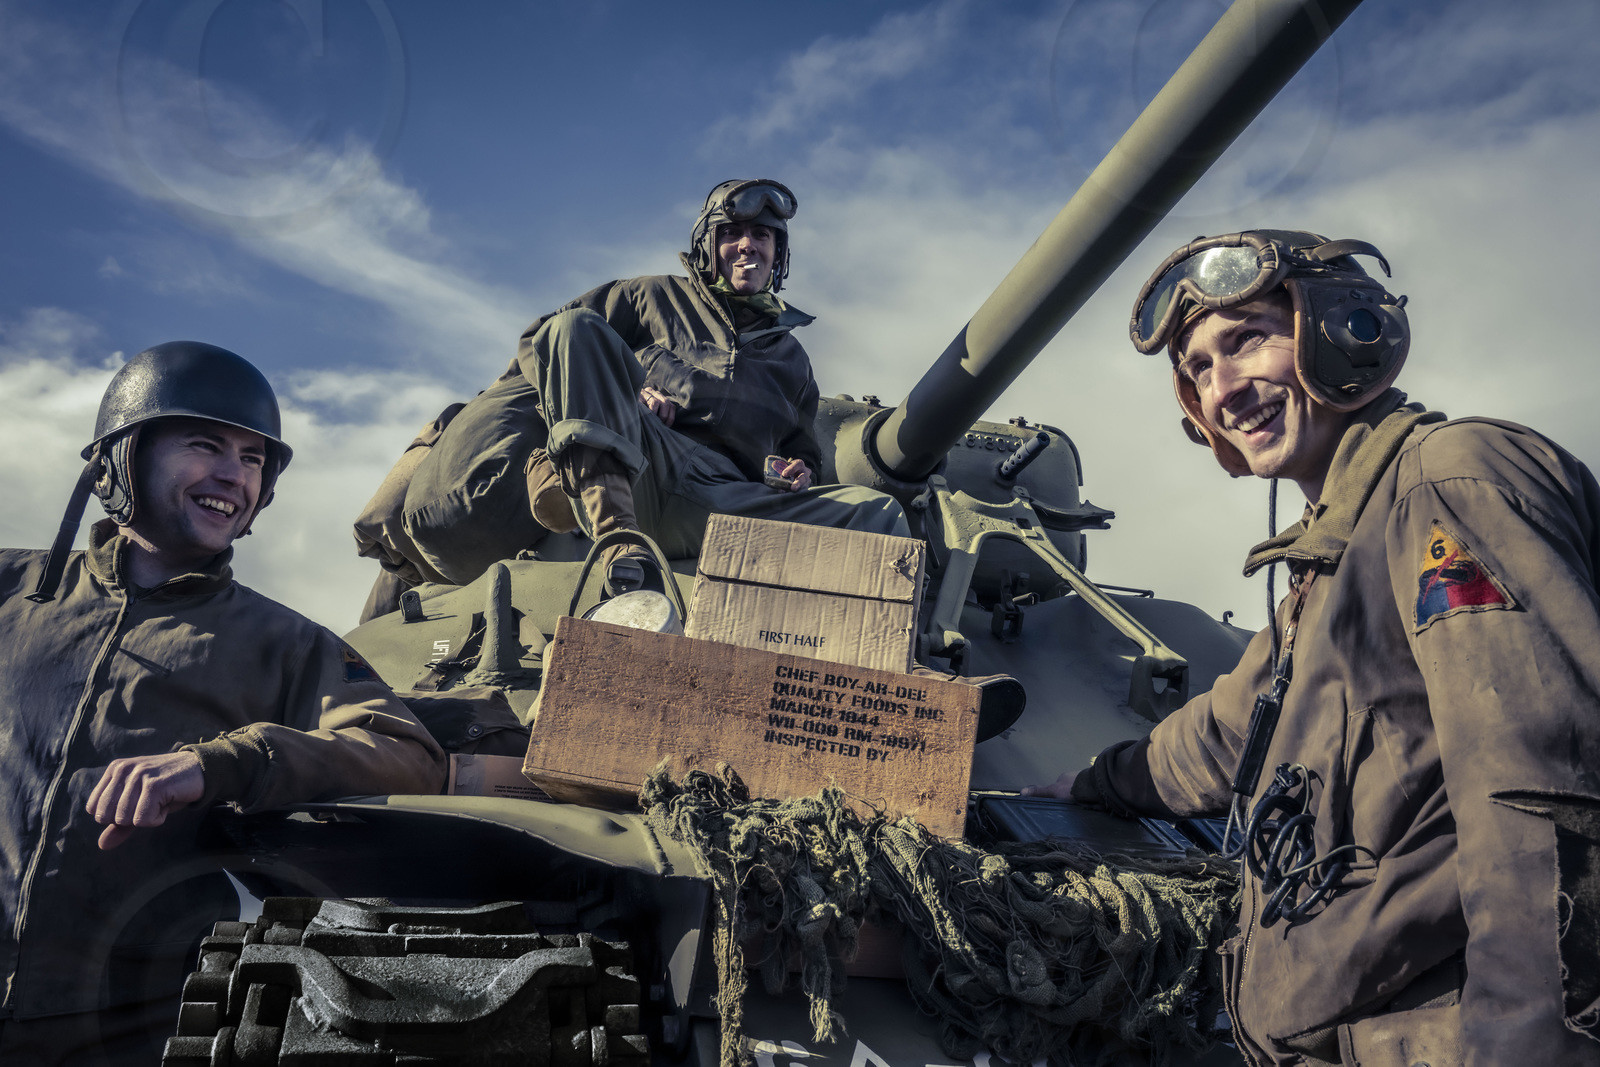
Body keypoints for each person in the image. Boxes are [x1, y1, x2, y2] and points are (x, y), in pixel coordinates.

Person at [1026, 230, 1600, 1066]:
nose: (1221, 388)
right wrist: (1089, 784)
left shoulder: (1446, 484)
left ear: (1345, 330)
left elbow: (1541, 803)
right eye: (1195, 370)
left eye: (1247, 338)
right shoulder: (1329, 568)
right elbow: (1224, 735)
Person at [0, 341, 447, 1064]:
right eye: (205, 445)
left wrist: (224, 762)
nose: (231, 475)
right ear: (122, 458)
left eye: (251, 458)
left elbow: (408, 754)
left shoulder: (286, 643)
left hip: (127, 1030)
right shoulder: (12, 590)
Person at [357, 178, 908, 611]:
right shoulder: (649, 298)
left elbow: (803, 450)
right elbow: (544, 343)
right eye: (732, 233)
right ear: (708, 245)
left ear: (777, 252)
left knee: (875, 513)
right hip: (638, 467)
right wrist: (628, 391)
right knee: (576, 329)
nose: (748, 246)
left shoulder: (793, 361)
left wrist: (797, 471)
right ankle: (619, 543)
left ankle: (875, 652)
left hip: (725, 503)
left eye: (762, 236)